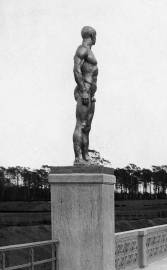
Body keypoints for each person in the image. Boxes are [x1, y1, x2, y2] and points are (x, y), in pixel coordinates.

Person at [72, 26, 98, 165]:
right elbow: (76, 70)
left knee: (87, 127)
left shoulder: (89, 52)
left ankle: (86, 156)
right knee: (80, 124)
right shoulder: (82, 49)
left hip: (91, 94)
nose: (96, 39)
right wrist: (83, 90)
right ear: (92, 35)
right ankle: (78, 158)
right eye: (96, 36)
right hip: (85, 92)